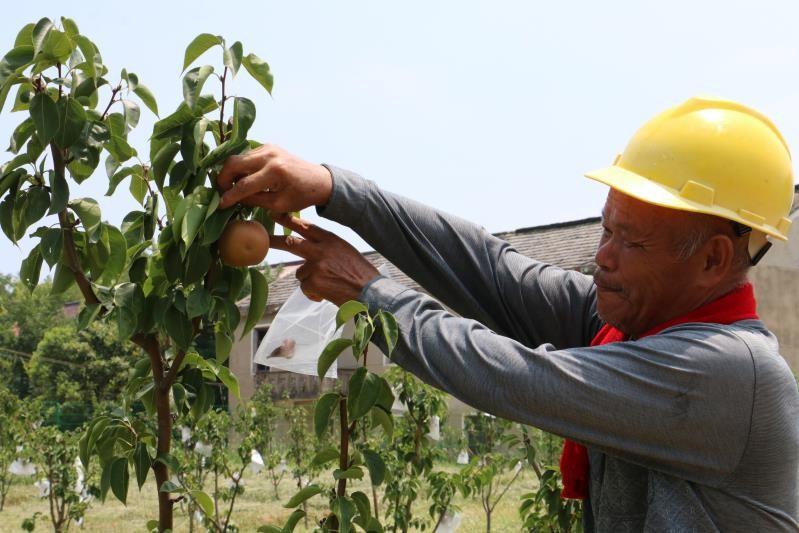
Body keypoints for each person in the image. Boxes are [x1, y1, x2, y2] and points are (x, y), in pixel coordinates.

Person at [217, 96, 799, 531]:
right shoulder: (628, 324)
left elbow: (516, 377)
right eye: (606, 228)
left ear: (714, 259)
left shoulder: (728, 374)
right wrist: (333, 189)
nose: (602, 258)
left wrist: (369, 290)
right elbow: (495, 272)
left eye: (632, 242)